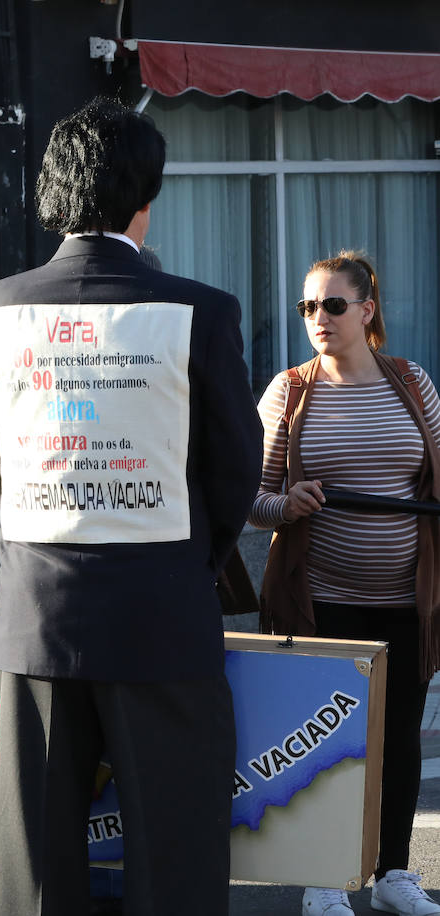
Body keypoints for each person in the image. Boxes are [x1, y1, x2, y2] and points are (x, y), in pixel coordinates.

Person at [0, 96, 261, 916]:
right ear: (144, 197)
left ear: (52, 195)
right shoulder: (201, 311)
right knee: (174, 858)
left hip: (37, 611)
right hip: (163, 611)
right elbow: (235, 471)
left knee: (36, 870)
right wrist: (184, 559)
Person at [254, 252, 440, 916]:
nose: (319, 319)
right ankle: (324, 879)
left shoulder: (411, 383)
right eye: (308, 307)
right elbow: (252, 498)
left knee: (397, 741)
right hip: (319, 600)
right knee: (327, 746)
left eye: (333, 305)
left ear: (367, 310)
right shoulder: (290, 391)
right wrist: (289, 504)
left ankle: (393, 875)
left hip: (406, 600)